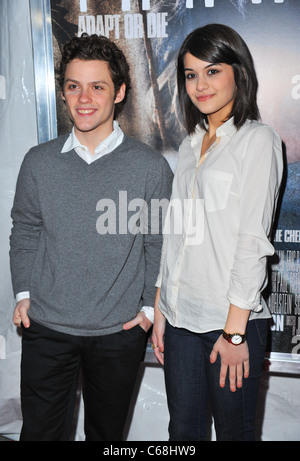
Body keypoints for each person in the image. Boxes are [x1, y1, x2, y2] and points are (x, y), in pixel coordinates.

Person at [10, 33, 173, 441]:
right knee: (40, 434)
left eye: (97, 86)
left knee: (106, 437)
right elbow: (25, 229)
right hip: (46, 327)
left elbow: (159, 243)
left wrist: (148, 312)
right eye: (73, 85)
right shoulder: (37, 162)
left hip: (118, 333)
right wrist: (22, 292)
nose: (84, 98)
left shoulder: (150, 168)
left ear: (119, 92)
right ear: (63, 92)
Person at [152, 24, 283, 441]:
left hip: (229, 321)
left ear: (238, 73)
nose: (200, 84)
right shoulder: (190, 143)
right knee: (182, 435)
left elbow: (252, 241)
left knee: (234, 434)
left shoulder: (258, 140)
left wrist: (234, 331)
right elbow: (177, 233)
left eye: (212, 71)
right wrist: (160, 307)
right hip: (179, 318)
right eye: (191, 75)